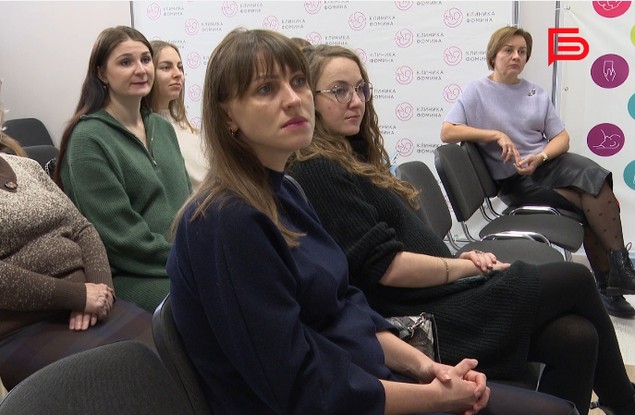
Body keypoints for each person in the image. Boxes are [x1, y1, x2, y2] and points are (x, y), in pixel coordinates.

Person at [167, 28, 580, 415]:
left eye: (298, 82)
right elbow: (300, 387)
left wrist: (426, 368)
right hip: (336, 397)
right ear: (227, 117)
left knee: (570, 345)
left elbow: (346, 307)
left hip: (362, 374)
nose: (293, 99)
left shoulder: (284, 191)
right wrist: (432, 397)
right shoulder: (226, 222)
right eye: (266, 89)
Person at [287, 43, 635, 415]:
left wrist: (462, 258)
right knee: (575, 279)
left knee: (576, 336)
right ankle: (625, 403)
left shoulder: (350, 154)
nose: (356, 101)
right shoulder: (318, 167)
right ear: (309, 98)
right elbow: (386, 268)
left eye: (361, 89)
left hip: (440, 294)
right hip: (421, 317)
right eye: (339, 91)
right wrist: (464, 267)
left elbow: (403, 242)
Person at [440, 26, 635, 318]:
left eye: (522, 52)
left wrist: (541, 156)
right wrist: (495, 135)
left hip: (546, 164)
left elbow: (561, 138)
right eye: (508, 50)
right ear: (493, 55)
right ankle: (613, 283)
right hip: (516, 180)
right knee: (589, 203)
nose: (516, 56)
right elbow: (447, 131)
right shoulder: (477, 91)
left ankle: (618, 274)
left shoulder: (535, 92)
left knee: (596, 180)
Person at [0, 124, 154, 390]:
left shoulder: (27, 167)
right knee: (124, 381)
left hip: (90, 303)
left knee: (169, 352)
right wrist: (76, 296)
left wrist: (101, 289)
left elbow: (81, 227)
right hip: (27, 326)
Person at [54, 26, 192, 312]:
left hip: (184, 257)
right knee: (213, 299)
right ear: (102, 74)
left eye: (145, 59)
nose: (141, 70)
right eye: (126, 62)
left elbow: (190, 205)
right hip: (134, 273)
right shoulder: (88, 140)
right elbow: (121, 240)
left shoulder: (162, 128)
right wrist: (190, 260)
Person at [147, 40, 208, 191]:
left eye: (180, 67)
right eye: (166, 67)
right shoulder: (145, 129)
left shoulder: (185, 125)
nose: (177, 74)